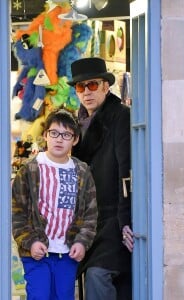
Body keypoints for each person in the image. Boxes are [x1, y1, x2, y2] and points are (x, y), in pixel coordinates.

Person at [12, 108, 98, 300]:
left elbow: (90, 215)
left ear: (75, 140)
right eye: (54, 133)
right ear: (45, 135)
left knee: (64, 296)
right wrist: (30, 241)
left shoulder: (82, 171)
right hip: (36, 253)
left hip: (67, 254)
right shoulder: (30, 170)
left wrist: (82, 242)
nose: (59, 139)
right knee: (39, 295)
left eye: (66, 135)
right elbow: (17, 213)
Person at [68, 57, 134, 300]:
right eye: (80, 87)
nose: (86, 92)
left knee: (98, 274)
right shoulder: (78, 122)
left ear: (106, 86)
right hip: (86, 222)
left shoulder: (120, 116)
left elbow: (126, 171)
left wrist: (126, 221)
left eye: (93, 85)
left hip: (112, 218)